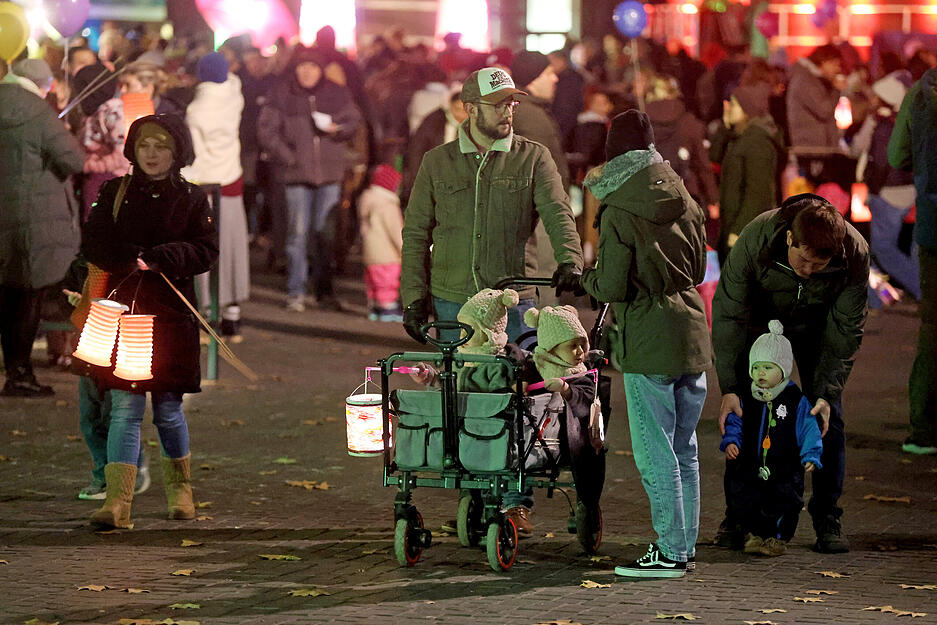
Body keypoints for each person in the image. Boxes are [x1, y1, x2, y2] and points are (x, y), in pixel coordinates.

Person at [400, 67, 584, 533]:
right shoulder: (438, 162)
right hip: (452, 300)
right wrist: (413, 297)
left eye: (512, 102)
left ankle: (515, 498)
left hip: (514, 300)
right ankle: (477, 496)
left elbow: (558, 213)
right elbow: (416, 232)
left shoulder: (533, 157)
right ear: (470, 108)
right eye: (499, 103)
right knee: (463, 399)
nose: (509, 111)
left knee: (516, 397)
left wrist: (571, 260)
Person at [581, 110, 711, 578]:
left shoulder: (619, 207)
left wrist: (585, 278)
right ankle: (684, 546)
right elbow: (700, 269)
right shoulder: (685, 197)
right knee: (684, 449)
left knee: (656, 451)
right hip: (691, 333)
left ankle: (670, 551)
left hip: (648, 335)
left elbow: (612, 284)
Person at [79, 114, 218, 529]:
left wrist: (166, 256)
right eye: (144, 145)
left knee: (169, 410)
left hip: (171, 319)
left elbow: (205, 250)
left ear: (176, 152)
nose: (152, 154)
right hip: (124, 316)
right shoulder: (114, 191)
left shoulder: (192, 198)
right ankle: (118, 502)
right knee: (124, 408)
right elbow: (93, 241)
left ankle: (181, 491)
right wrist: (126, 256)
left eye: (161, 146)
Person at [712, 193, 869, 553]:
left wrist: (826, 392)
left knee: (827, 417)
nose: (809, 270)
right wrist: (731, 386)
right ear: (789, 239)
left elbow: (846, 330)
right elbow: (729, 314)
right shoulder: (757, 238)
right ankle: (738, 517)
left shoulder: (854, 252)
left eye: (819, 265)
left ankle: (827, 515)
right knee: (748, 413)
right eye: (803, 260)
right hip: (760, 324)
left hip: (820, 328)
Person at [0, 61, 84, 397]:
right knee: (27, 295)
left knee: (6, 293)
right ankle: (20, 373)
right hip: (34, 215)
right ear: (43, 84)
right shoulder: (38, 110)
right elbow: (73, 159)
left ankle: (14, 369)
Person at [258, 47, 362, 313]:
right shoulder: (281, 93)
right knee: (297, 234)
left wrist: (338, 129)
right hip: (296, 176)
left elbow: (354, 120)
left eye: (313, 67)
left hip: (329, 174)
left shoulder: (336, 93)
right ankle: (296, 290)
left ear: (321, 70)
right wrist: (288, 157)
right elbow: (266, 130)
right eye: (302, 66)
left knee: (324, 235)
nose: (307, 72)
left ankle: (324, 291)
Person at [719, 320, 823, 557]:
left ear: (783, 369)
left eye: (767, 367)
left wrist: (811, 453)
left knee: (783, 501)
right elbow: (735, 421)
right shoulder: (747, 396)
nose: (761, 373)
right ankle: (754, 535)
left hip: (785, 468)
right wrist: (732, 441)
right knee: (749, 499)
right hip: (751, 465)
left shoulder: (795, 400)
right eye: (756, 367)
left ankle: (778, 538)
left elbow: (808, 428)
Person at [181, 52, 250, 340]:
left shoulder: (197, 110)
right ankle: (233, 312)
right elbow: (233, 79)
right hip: (232, 179)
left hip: (206, 183)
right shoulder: (235, 97)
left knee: (205, 246)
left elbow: (194, 152)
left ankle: (208, 311)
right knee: (233, 246)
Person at [888, 66, 937, 455]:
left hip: (932, 228)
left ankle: (922, 429)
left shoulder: (919, 94)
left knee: (932, 329)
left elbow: (897, 154)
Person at [850, 70, 919, 299]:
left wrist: (874, 189)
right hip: (909, 189)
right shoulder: (910, 119)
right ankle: (883, 296)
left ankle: (922, 290)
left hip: (888, 192)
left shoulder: (879, 124)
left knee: (883, 249)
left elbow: (867, 154)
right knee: (893, 246)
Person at [709, 83, 784, 262]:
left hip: (746, 232)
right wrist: (725, 126)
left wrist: (739, 230)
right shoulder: (738, 136)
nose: (729, 108)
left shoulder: (758, 142)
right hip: (733, 225)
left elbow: (757, 193)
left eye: (734, 104)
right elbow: (714, 155)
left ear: (747, 109)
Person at [358, 164, 405, 322]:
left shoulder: (366, 200)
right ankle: (387, 307)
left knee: (374, 282)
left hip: (370, 253)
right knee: (387, 282)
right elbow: (395, 231)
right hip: (387, 254)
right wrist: (404, 248)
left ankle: (375, 307)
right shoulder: (387, 205)